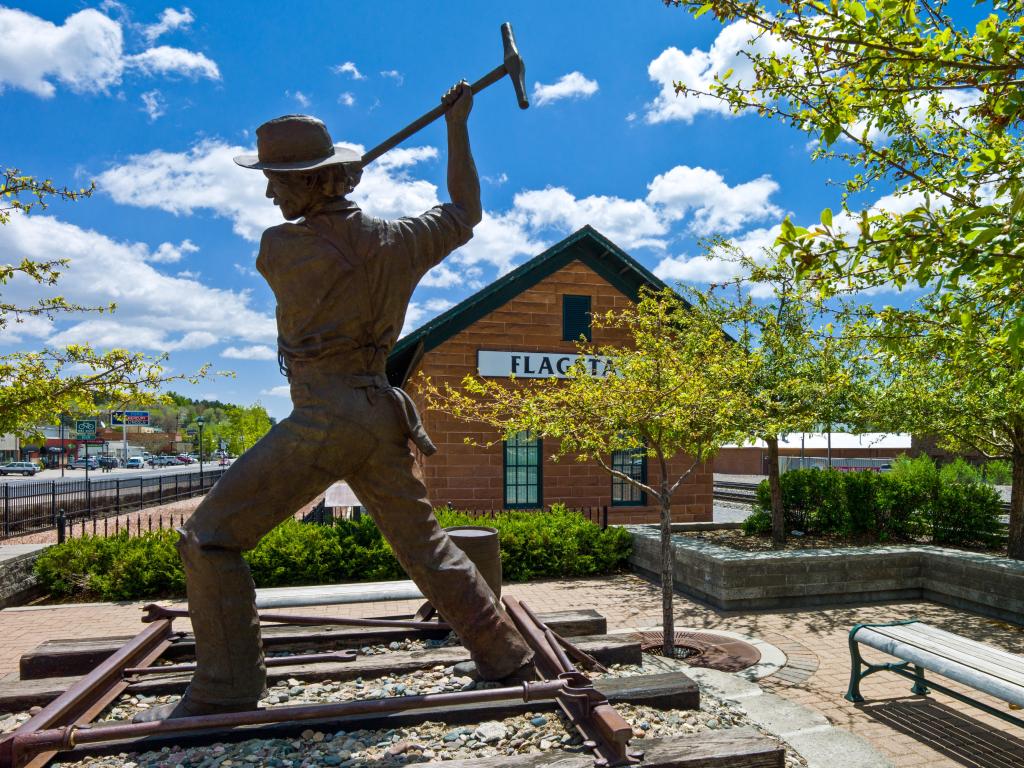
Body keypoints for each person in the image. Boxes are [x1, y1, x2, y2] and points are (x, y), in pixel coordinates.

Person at [137, 82, 534, 721]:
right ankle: (506, 656)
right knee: (426, 547)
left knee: (208, 538)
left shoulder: (281, 247)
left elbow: (321, 242)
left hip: (324, 418)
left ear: (315, 181)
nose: (270, 193)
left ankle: (225, 688)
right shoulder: (401, 240)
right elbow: (464, 211)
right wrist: (457, 126)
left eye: (277, 179)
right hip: (379, 413)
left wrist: (329, 194)